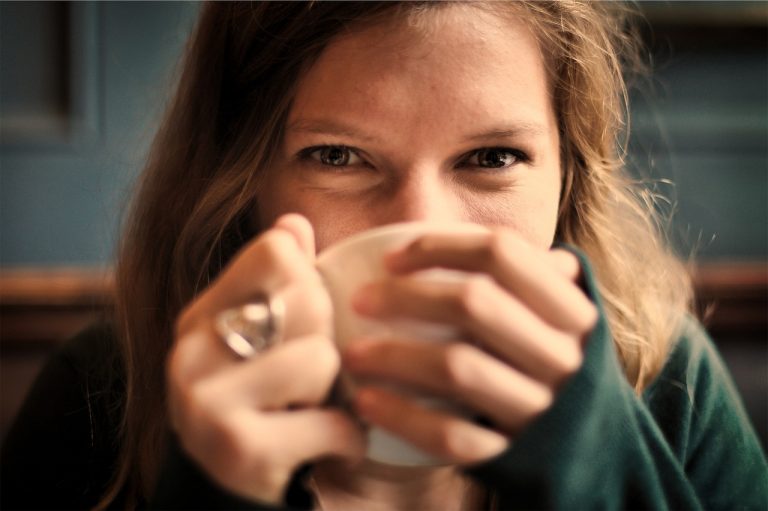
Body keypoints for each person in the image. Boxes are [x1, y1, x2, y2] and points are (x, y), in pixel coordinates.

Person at [2, 2, 766, 510]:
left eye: (493, 157)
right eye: (337, 155)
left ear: (568, 178)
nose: (421, 229)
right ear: (243, 183)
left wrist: (603, 475)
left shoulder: (669, 387)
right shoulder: (102, 396)